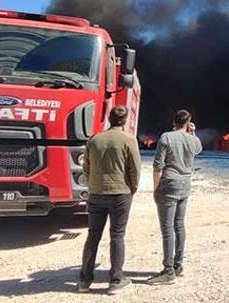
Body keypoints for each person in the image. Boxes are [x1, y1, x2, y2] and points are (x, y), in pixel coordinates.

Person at [78, 106, 142, 295]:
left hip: (96, 193)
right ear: (124, 120)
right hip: (120, 193)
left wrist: (92, 185)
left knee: (93, 236)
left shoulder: (95, 139)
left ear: (109, 118)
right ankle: (115, 280)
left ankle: (84, 280)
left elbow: (86, 166)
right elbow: (135, 169)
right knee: (117, 235)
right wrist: (132, 188)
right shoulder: (129, 140)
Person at [147, 109, 202, 285]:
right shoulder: (192, 140)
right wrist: (192, 133)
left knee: (167, 228)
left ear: (173, 121)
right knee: (179, 224)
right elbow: (198, 149)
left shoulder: (166, 137)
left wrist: (156, 188)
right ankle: (178, 265)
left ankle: (168, 270)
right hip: (185, 185)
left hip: (169, 184)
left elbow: (157, 166)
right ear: (189, 122)